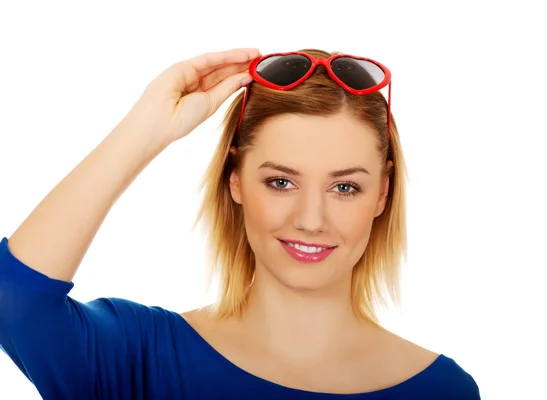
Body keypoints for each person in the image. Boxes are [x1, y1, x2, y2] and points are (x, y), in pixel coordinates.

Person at [0, 47, 480, 399]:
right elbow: (13, 299)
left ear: (382, 194)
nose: (311, 220)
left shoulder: (444, 390)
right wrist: (148, 129)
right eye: (281, 183)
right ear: (235, 181)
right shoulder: (141, 357)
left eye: (344, 187)